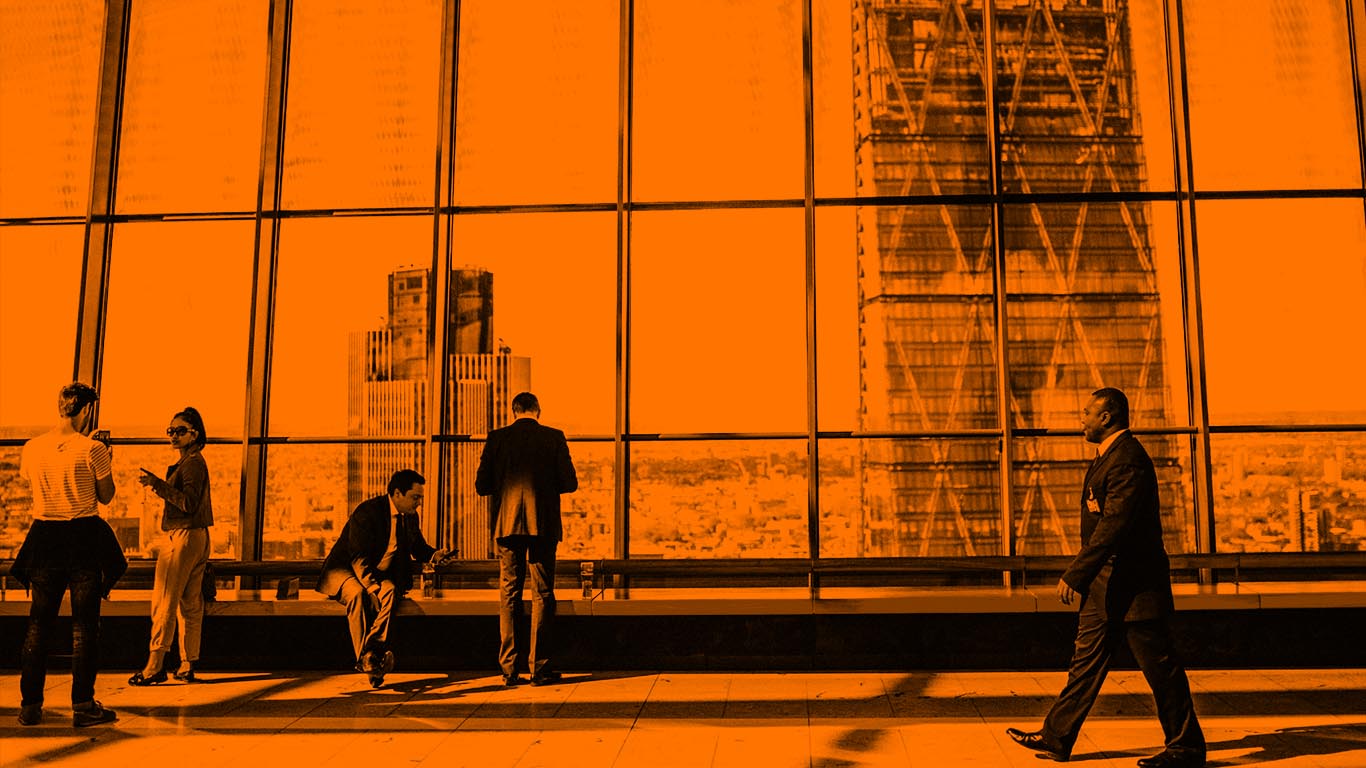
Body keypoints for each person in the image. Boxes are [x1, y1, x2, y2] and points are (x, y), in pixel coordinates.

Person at [1007, 387, 1205, 768]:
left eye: (1086, 413)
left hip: (1133, 588)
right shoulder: (1109, 457)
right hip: (1106, 587)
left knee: (1161, 670)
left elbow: (1114, 525)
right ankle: (1056, 737)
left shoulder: (1127, 460)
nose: (1080, 420)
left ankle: (1186, 749)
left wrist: (1076, 574)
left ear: (1107, 417)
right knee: (1085, 664)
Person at [12, 382, 124, 727]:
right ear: (88, 410)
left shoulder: (32, 448)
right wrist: (107, 458)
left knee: (38, 625)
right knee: (84, 627)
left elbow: (30, 482)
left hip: (44, 538)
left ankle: (30, 705)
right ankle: (83, 704)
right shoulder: (93, 449)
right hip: (82, 539)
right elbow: (106, 497)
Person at [475, 391, 577, 687]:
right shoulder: (554, 437)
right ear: (538, 411)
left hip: (507, 526)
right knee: (543, 593)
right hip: (542, 525)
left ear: (514, 411)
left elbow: (482, 486)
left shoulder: (496, 438)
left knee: (509, 593)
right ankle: (539, 668)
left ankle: (509, 669)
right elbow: (570, 483)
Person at [316, 469, 451, 688]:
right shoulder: (367, 512)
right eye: (415, 497)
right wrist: (371, 587)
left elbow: (418, 547)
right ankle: (372, 660)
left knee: (390, 591)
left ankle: (370, 655)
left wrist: (435, 555)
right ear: (397, 493)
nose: (418, 504)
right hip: (346, 570)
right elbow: (357, 557)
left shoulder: (410, 517)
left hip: (377, 573)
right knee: (358, 595)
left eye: (420, 498)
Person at [129, 406, 214, 686]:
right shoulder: (193, 462)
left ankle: (155, 665)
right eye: (170, 431)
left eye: (180, 431)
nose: (173, 436)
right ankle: (188, 662)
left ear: (195, 434)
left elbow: (187, 503)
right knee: (190, 603)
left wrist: (157, 485)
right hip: (197, 537)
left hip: (182, 537)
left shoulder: (191, 464)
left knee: (164, 600)